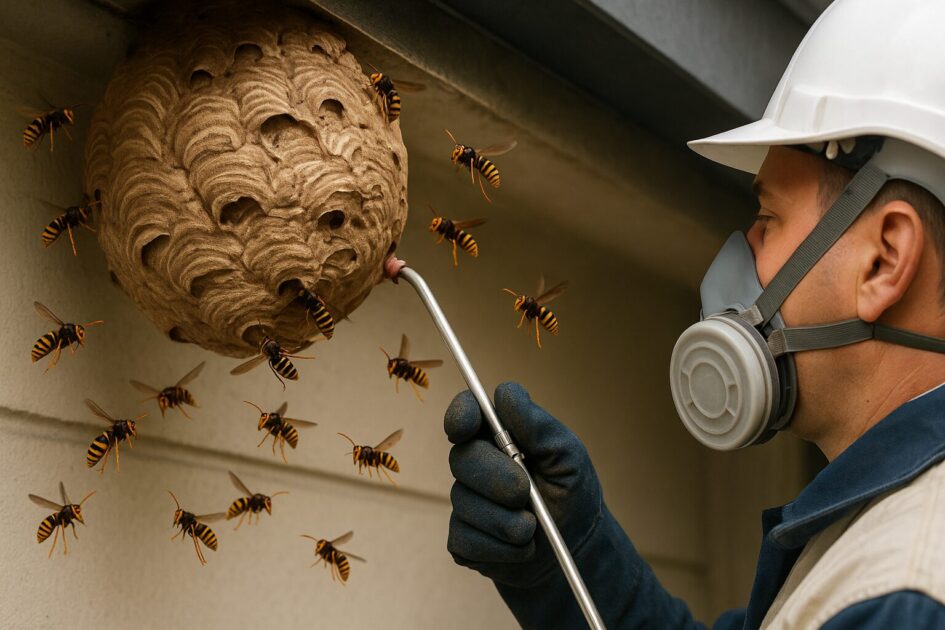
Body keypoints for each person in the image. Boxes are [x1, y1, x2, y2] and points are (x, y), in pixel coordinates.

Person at [443, 0, 945, 627]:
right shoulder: (876, 537)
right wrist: (568, 555)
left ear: (883, 261)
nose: (744, 249)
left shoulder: (901, 596)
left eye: (768, 219)